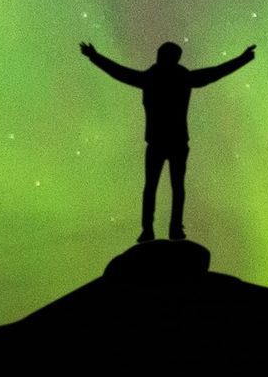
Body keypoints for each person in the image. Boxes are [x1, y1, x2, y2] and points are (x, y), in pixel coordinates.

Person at [80, 38, 255, 245]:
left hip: (161, 141)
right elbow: (214, 73)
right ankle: (170, 229)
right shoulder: (180, 78)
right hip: (173, 141)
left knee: (155, 187)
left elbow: (120, 73)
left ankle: (151, 230)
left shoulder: (153, 78)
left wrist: (95, 57)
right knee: (173, 186)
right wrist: (243, 59)